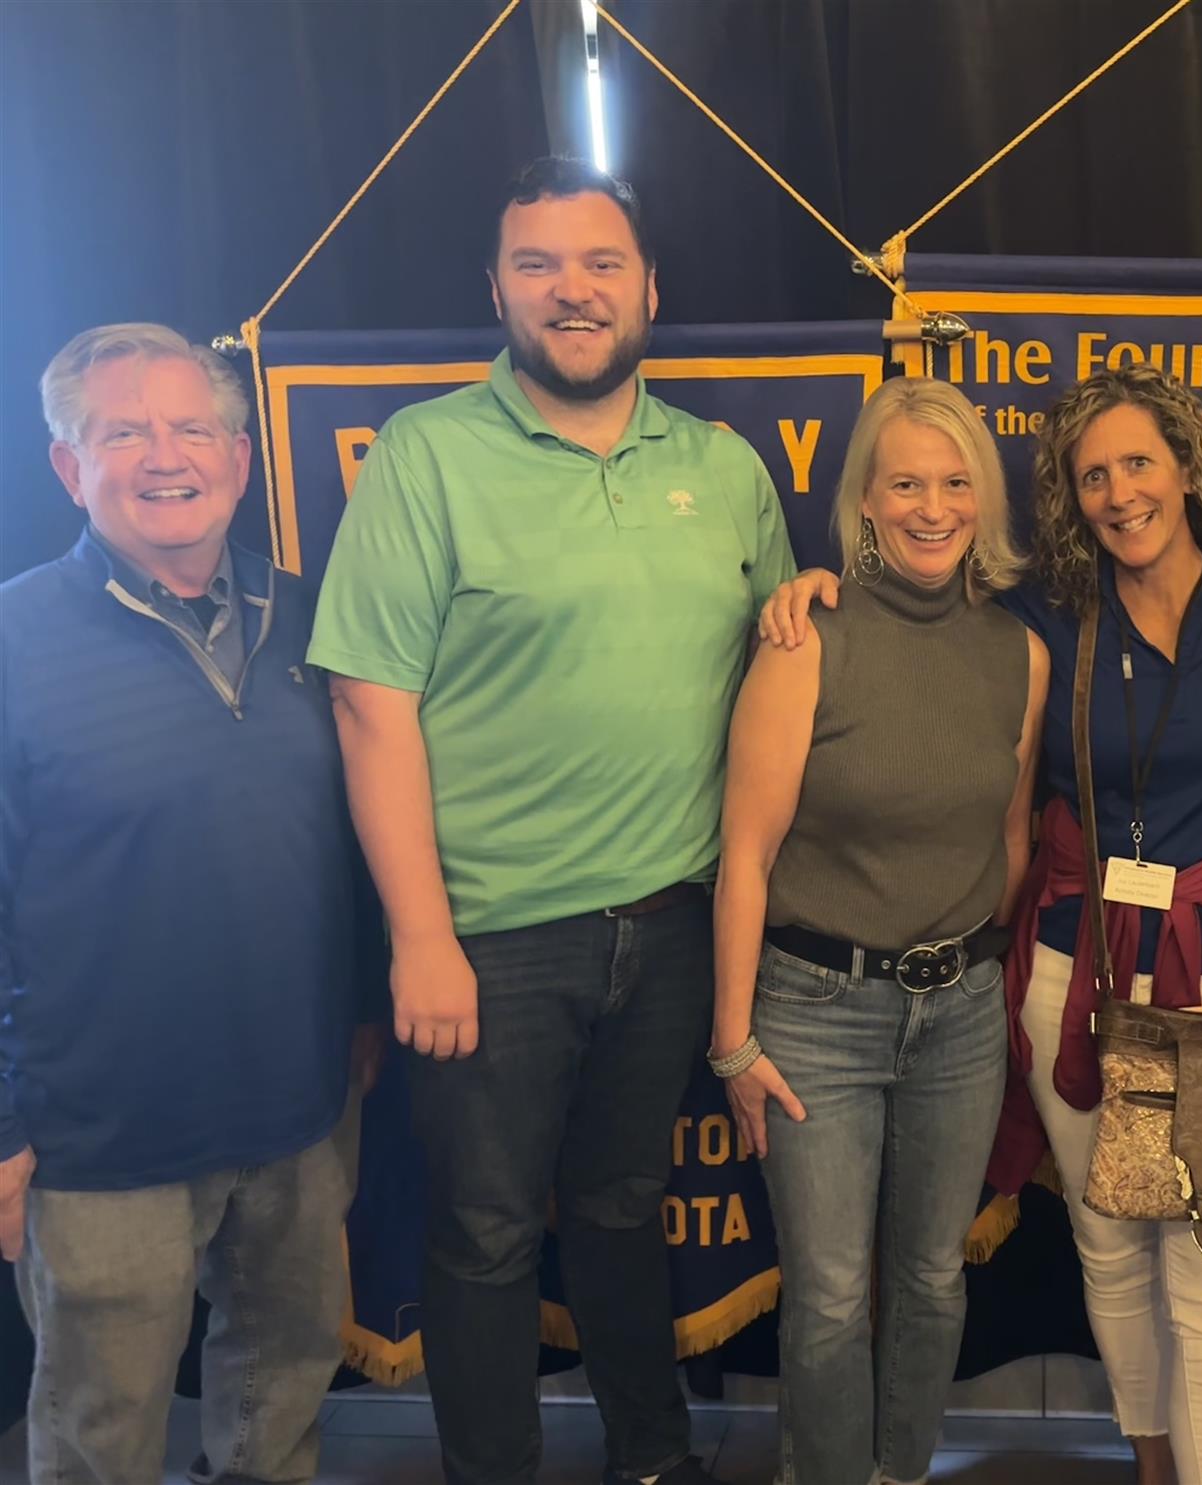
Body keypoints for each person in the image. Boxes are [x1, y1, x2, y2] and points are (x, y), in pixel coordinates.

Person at [307, 156, 795, 1485]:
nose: (571, 291)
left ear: (649, 288)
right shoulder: (427, 454)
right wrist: (421, 936)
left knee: (626, 1209)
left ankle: (654, 1457)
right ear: (497, 290)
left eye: (598, 264)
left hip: (674, 921)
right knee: (484, 1234)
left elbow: (782, 667)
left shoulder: (722, 467)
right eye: (537, 265)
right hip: (490, 937)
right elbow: (369, 704)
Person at [761, 364, 1202, 1485]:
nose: (1119, 493)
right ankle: (1154, 1464)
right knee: (1109, 1249)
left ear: (1187, 466)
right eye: (1092, 475)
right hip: (1080, 975)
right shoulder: (1049, 611)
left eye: (1138, 462)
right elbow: (920, 617)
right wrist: (816, 587)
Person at [0, 323, 382, 1484]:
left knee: (282, 1396)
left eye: (192, 429)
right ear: (69, 466)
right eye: (124, 433)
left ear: (240, 457)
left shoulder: (321, 619)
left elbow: (362, 840)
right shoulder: (12, 642)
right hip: (101, 1135)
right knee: (101, 1427)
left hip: (300, 1108)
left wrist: (363, 1013)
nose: (166, 457)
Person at [712, 376, 1047, 1485]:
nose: (931, 507)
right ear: (864, 498)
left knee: (933, 1281)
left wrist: (973, 970)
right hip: (816, 1014)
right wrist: (733, 1042)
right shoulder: (806, 637)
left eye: (955, 483)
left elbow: (1009, 841)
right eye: (905, 483)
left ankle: (901, 1472)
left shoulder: (1020, 655)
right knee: (829, 1297)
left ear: (983, 500)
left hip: (960, 1014)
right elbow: (746, 856)